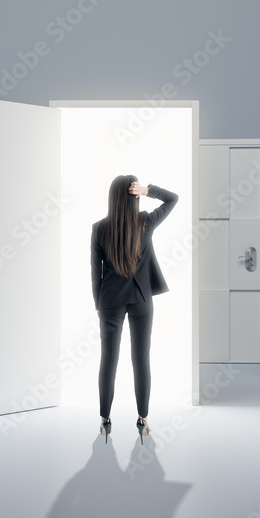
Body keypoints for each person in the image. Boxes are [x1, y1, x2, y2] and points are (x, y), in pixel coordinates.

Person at [91, 175, 178, 443]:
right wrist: (149, 190)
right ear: (134, 196)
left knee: (109, 360)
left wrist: (98, 303)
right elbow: (172, 198)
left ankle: (105, 421)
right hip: (141, 299)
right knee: (141, 360)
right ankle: (143, 420)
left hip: (109, 301)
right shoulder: (145, 222)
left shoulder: (99, 228)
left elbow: (96, 271)